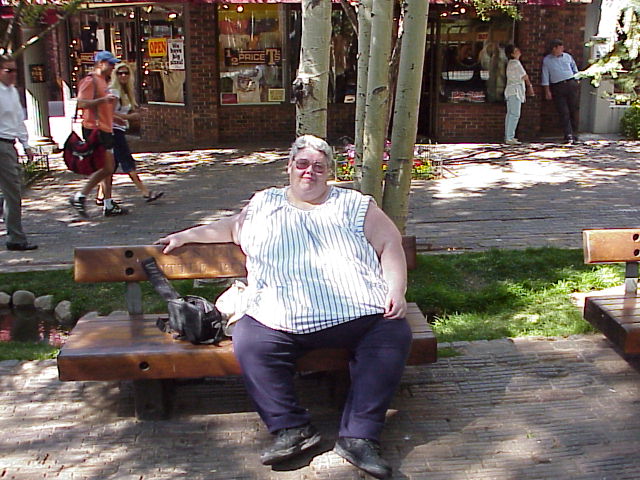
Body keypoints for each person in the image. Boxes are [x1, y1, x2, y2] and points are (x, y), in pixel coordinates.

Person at [156, 135, 412, 479]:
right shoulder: (265, 203)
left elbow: (390, 243)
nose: (310, 172)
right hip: (278, 315)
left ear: (329, 172)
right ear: (289, 167)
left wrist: (396, 289)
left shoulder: (354, 204)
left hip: (357, 310)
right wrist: (187, 235)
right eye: (302, 164)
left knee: (392, 332)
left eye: (319, 166)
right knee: (250, 340)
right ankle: (292, 429)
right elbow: (231, 228)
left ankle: (360, 436)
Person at [95, 62, 163, 205]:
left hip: (117, 130)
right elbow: (108, 113)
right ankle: (145, 192)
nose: (123, 76)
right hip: (113, 131)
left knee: (111, 166)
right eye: (120, 73)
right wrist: (128, 117)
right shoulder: (114, 92)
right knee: (127, 161)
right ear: (115, 75)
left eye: (126, 73)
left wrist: (131, 115)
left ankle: (101, 195)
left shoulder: (126, 92)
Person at [69, 50, 127, 217]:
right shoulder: (90, 81)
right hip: (96, 129)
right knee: (107, 167)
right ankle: (80, 196)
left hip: (105, 128)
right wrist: (102, 100)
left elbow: (103, 108)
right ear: (101, 64)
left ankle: (108, 203)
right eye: (111, 64)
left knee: (108, 167)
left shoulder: (103, 81)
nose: (113, 68)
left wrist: (115, 118)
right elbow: (81, 103)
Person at [0, 55, 37, 251]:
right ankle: (16, 238)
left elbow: (18, 119)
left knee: (13, 191)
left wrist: (25, 144)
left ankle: (14, 234)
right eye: (9, 70)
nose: (13, 74)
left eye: (15, 70)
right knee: (12, 192)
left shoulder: (12, 91)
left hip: (8, 144)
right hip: (2, 144)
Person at [541, 39, 580, 144]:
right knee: (563, 111)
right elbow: (545, 76)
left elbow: (574, 68)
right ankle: (568, 134)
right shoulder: (547, 60)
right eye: (560, 48)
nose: (562, 50)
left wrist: (577, 80)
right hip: (558, 86)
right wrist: (547, 91)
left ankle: (574, 133)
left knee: (573, 109)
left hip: (570, 84)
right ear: (554, 48)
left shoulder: (567, 57)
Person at [504, 44, 535, 145]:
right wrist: (530, 87)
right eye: (516, 50)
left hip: (510, 91)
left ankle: (508, 136)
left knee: (510, 114)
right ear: (512, 54)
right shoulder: (516, 63)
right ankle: (510, 137)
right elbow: (525, 76)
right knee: (515, 114)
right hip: (515, 91)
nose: (519, 51)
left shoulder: (510, 63)